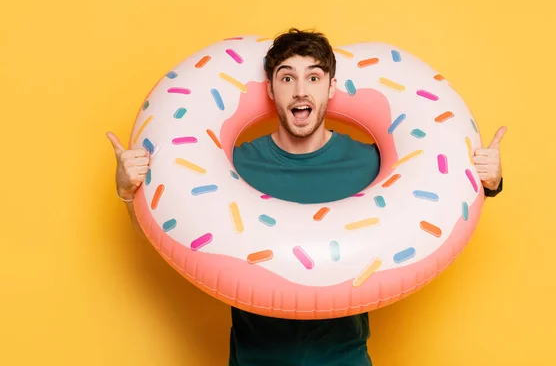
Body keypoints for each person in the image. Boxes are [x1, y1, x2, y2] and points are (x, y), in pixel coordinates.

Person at [107, 28, 505, 366]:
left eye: (314, 78)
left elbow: (433, 214)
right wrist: (131, 195)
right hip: (254, 359)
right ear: (270, 89)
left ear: (332, 88)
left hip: (344, 359)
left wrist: (485, 182)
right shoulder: (233, 168)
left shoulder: (372, 164)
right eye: (287, 78)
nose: (301, 90)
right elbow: (175, 236)